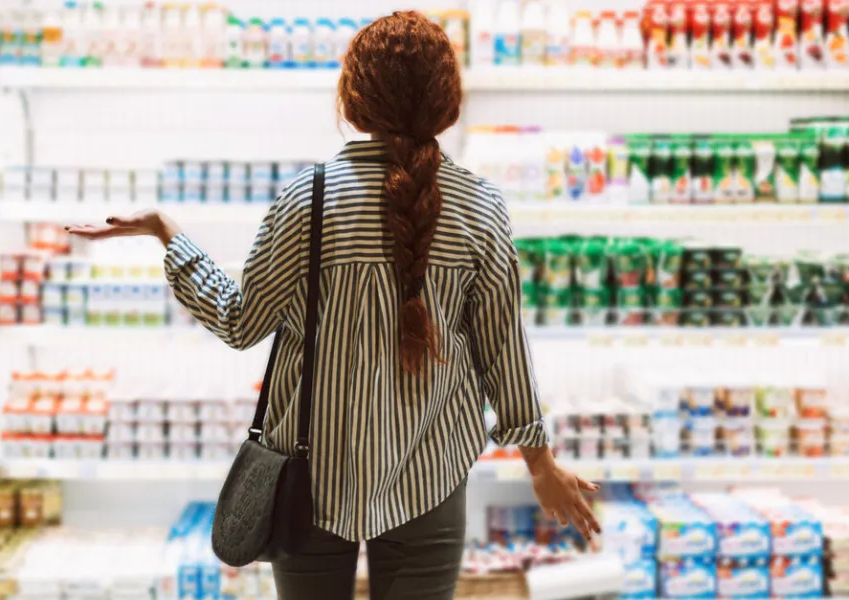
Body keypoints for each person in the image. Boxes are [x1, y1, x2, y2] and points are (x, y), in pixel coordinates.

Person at [67, 11, 599, 600]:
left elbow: (241, 323)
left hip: (312, 479)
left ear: (353, 97)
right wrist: (540, 463)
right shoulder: (481, 206)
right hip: (434, 474)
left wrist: (171, 237)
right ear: (448, 100)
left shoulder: (307, 198)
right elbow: (505, 353)